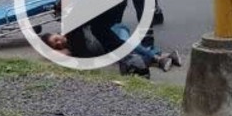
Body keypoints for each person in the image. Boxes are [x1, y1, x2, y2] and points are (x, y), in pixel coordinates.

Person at [40, 27, 181, 73]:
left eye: (56, 39)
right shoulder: (71, 50)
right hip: (109, 44)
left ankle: (158, 58)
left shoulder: (73, 30)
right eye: (56, 45)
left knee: (124, 46)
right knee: (127, 55)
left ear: (57, 33)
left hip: (115, 30)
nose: (59, 43)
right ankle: (166, 56)